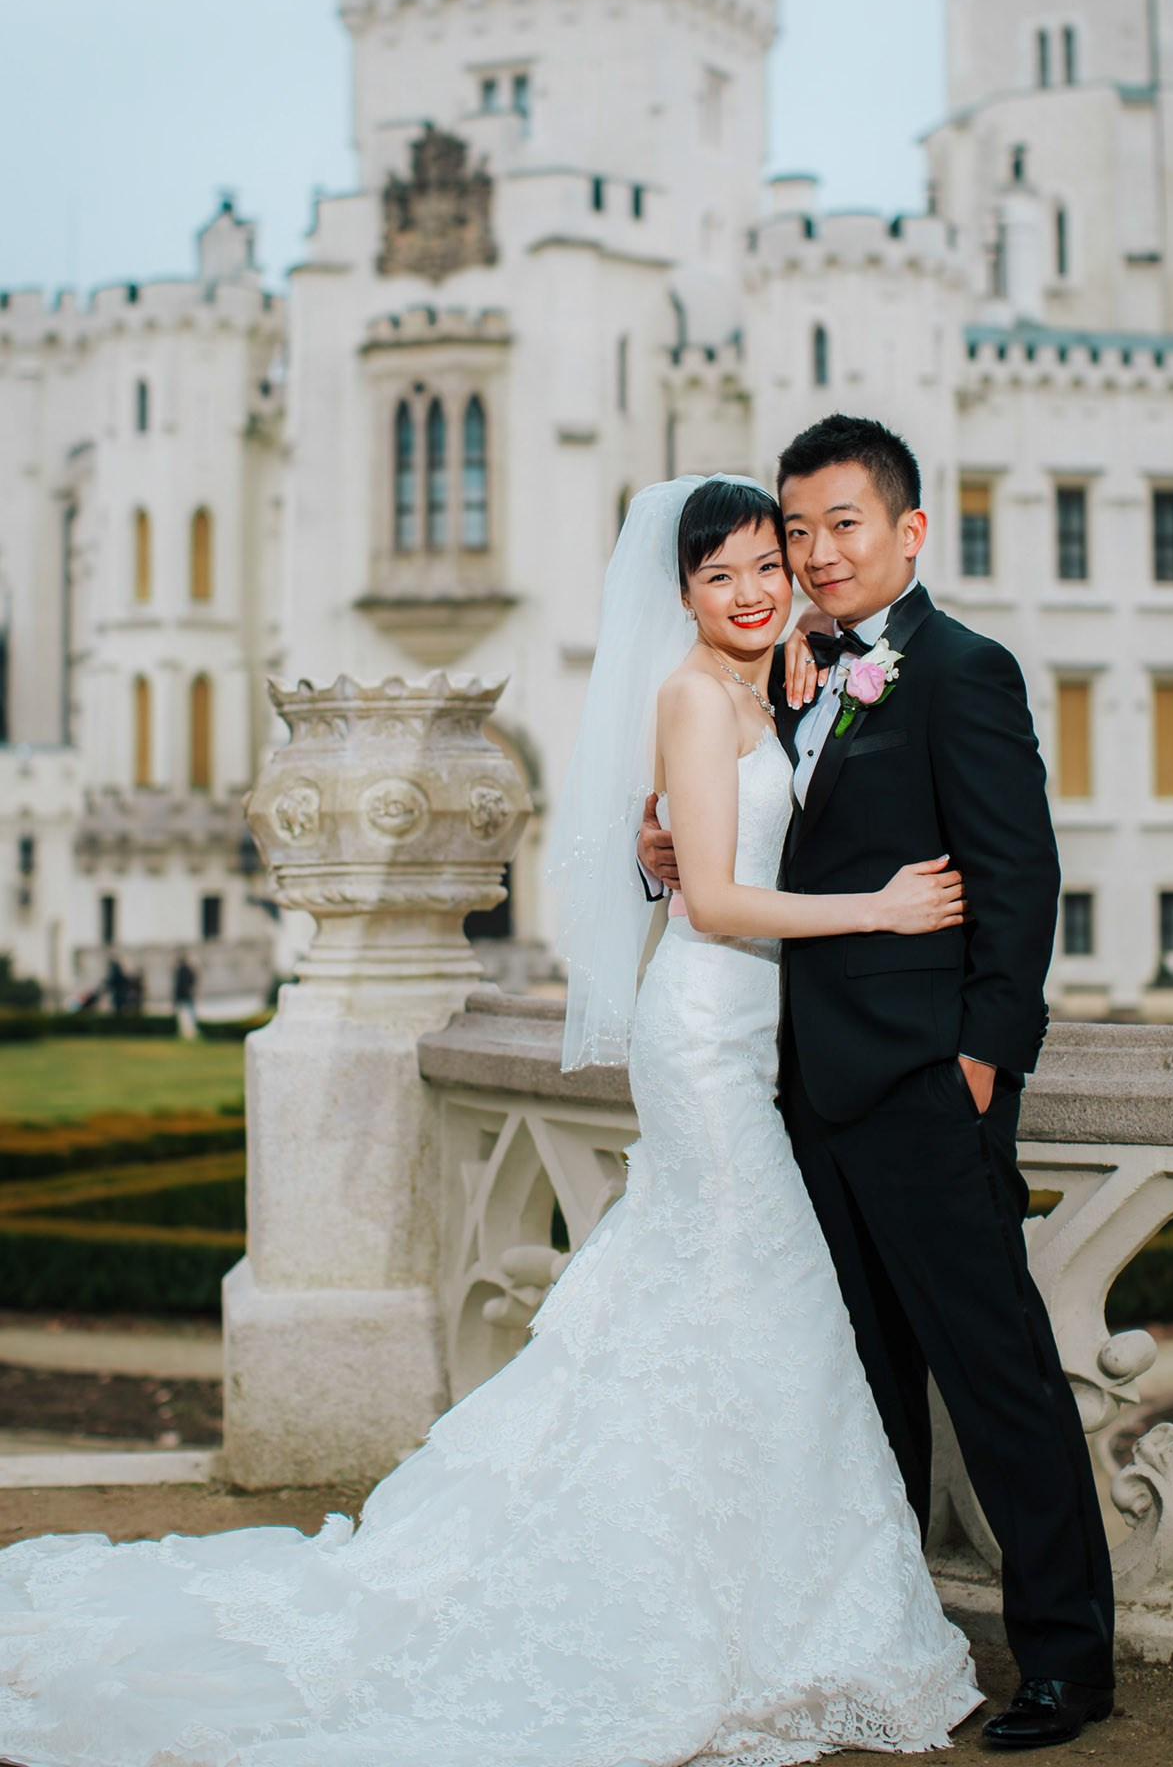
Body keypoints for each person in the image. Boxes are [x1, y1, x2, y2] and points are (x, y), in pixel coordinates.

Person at [0, 475, 982, 1767]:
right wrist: (881, 912)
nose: (752, 591)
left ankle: (751, 1601)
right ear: (678, 593)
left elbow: (708, 845)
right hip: (703, 1034)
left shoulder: (782, 678)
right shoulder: (692, 696)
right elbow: (718, 907)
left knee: (722, 1312)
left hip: (759, 1039)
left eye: (765, 566)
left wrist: (684, 832)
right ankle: (727, 1617)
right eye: (721, 575)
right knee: (756, 1295)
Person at [641, 419, 1116, 1753]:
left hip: (921, 1089)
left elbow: (1020, 879)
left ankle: (1068, 1662)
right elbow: (731, 850)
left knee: (996, 1375)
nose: (812, 554)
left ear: (908, 532)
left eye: (841, 524)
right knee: (861, 1389)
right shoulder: (781, 677)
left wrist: (980, 1062)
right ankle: (892, 1641)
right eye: (795, 530)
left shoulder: (965, 670)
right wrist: (653, 850)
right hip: (793, 1095)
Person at [172, 952, 199, 1039]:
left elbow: (178, 984)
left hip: (182, 994)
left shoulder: (180, 970)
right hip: (186, 994)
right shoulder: (186, 970)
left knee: (180, 1012)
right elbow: (193, 979)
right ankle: (194, 1028)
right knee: (191, 1012)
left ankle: (178, 1029)